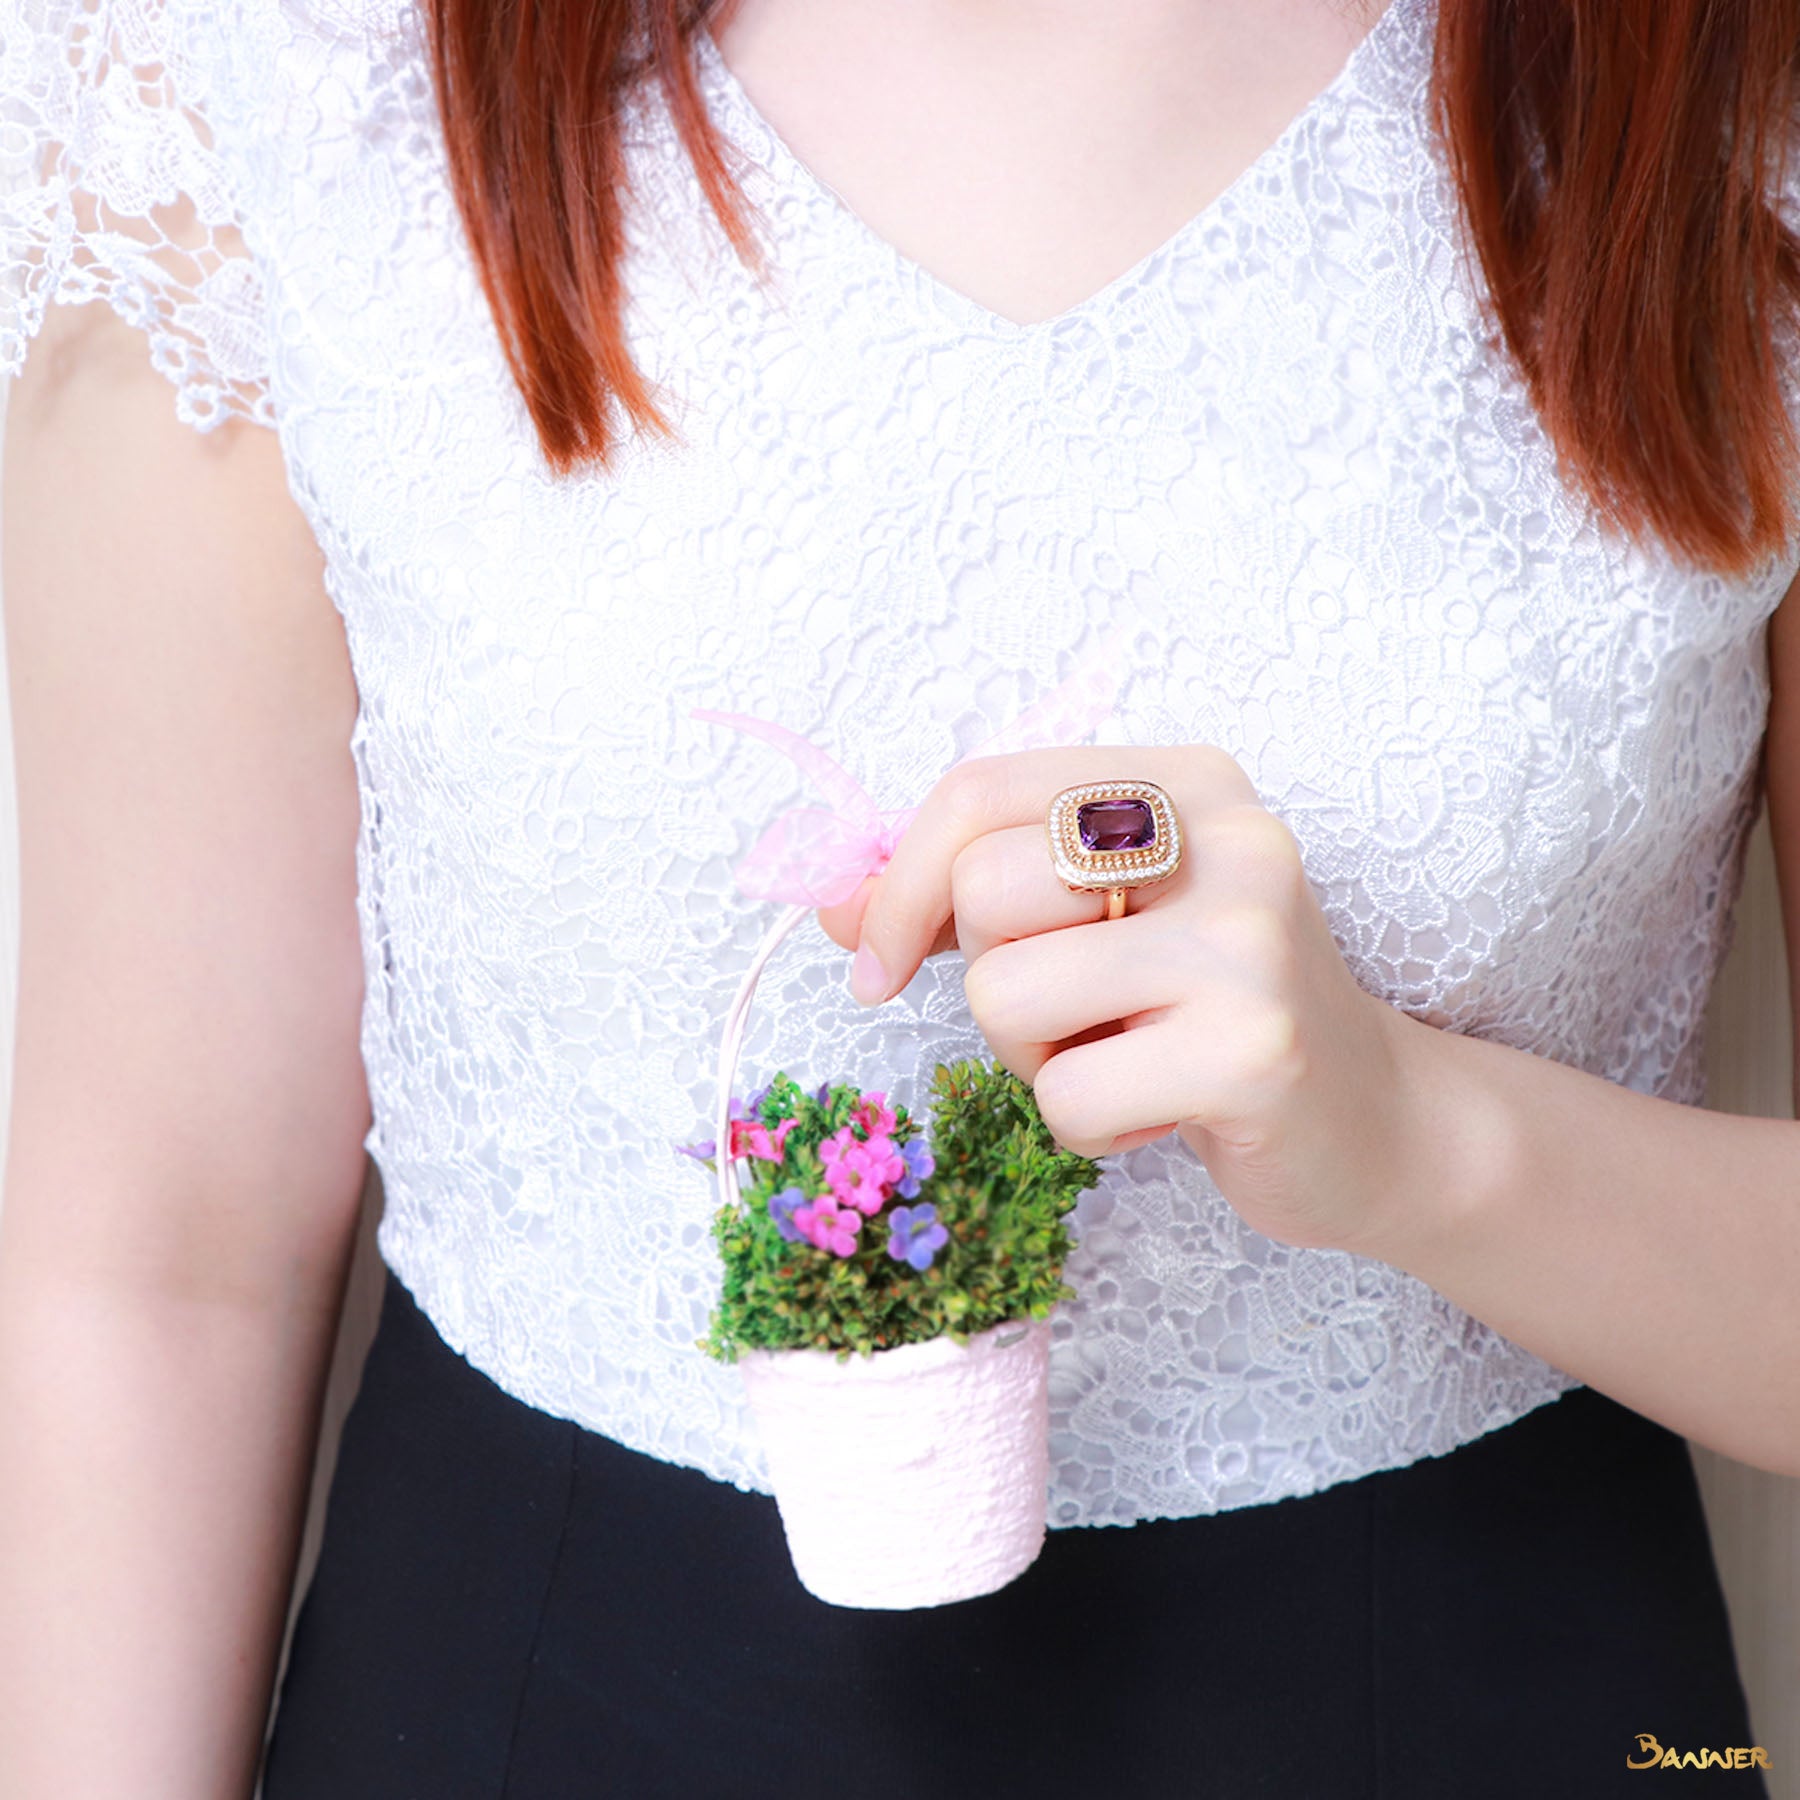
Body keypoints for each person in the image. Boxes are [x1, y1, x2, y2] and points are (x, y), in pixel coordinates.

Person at [1, 0, 1795, 1792]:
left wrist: (1422, 1135)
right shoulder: (260, 56)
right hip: (535, 1700)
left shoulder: (1728, 70)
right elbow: (157, 1259)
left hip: (1493, 1699)